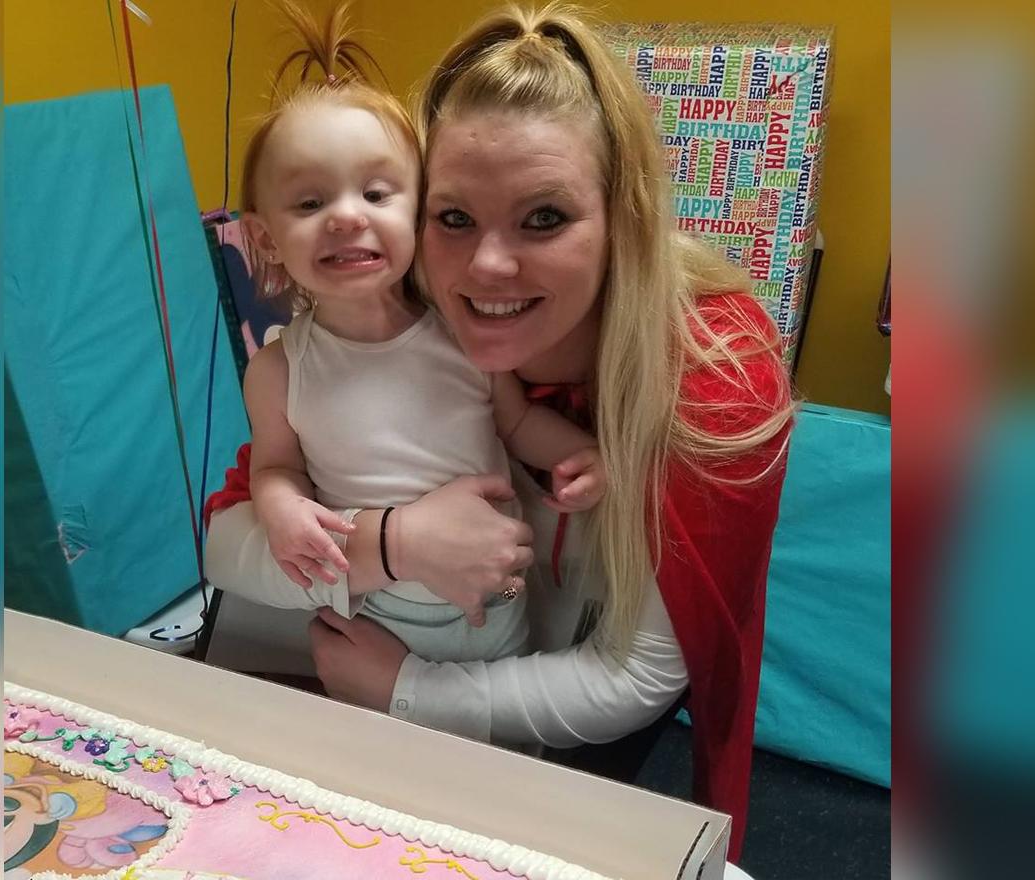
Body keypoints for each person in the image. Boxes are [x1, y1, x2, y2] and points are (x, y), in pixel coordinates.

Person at [205, 2, 793, 861]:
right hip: (375, 685)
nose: (486, 268)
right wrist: (394, 545)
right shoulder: (389, 325)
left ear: (623, 215)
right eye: (453, 218)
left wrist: (408, 689)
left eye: (544, 217)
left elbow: (637, 674)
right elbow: (229, 543)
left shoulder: (713, 377)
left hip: (549, 731)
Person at [234, 0, 606, 665]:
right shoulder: (277, 370)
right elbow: (277, 468)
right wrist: (281, 511)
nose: (347, 218)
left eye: (376, 194)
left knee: (492, 751)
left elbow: (516, 425)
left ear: (422, 209)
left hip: (496, 604)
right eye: (311, 202)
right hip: (378, 614)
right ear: (265, 237)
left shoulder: (464, 333)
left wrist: (583, 454)